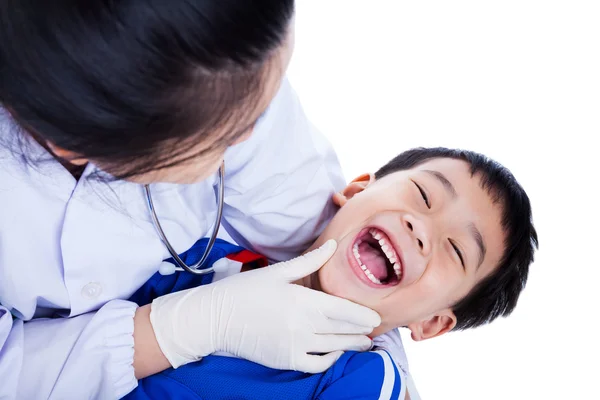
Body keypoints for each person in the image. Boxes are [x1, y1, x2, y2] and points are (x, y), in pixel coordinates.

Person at [0, 2, 381, 399]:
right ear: (74, 145)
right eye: (225, 135)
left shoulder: (227, 61)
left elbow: (323, 226)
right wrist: (183, 329)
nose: (254, 134)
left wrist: (392, 336)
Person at [123, 147, 539, 399]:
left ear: (432, 322)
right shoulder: (208, 261)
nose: (421, 229)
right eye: (423, 194)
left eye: (454, 251)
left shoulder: (366, 379)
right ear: (357, 191)